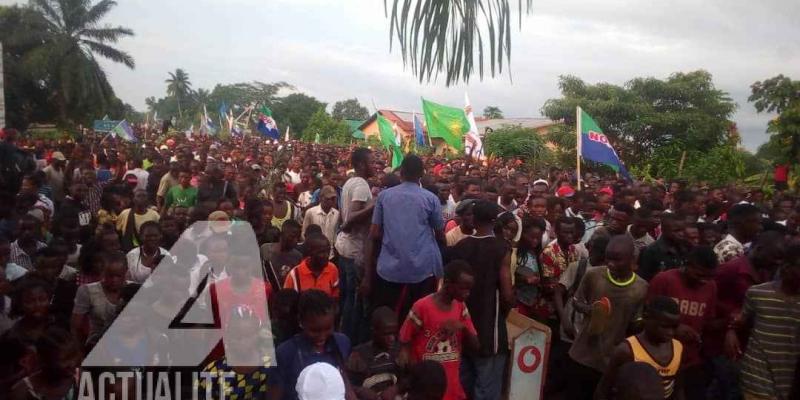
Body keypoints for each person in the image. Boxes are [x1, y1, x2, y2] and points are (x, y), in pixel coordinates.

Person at [566, 235, 649, 400]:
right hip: (582, 354)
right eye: (608, 258)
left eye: (618, 260)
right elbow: (576, 302)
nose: (611, 264)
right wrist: (591, 310)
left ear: (632, 259)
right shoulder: (593, 275)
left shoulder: (641, 287)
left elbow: (635, 324)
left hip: (611, 361)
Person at [365, 155, 444, 321]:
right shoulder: (431, 199)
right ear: (421, 174)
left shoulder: (384, 196)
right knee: (417, 319)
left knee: (388, 318)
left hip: (389, 270)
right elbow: (440, 235)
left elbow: (374, 233)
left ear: (401, 172)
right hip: (422, 271)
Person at [448, 201, 513, 400]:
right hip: (489, 329)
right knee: (487, 387)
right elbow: (507, 294)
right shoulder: (501, 247)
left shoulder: (461, 246)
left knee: (465, 381)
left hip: (463, 325)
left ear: (473, 219)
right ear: (495, 222)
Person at [724, 243, 800, 400]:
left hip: (790, 378)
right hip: (757, 375)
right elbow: (741, 320)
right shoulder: (757, 293)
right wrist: (731, 331)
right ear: (786, 267)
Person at [398, 260, 479, 400]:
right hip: (427, 390)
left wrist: (462, 327)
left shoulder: (461, 308)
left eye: (469, 289)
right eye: (463, 288)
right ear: (448, 283)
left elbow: (476, 346)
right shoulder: (422, 307)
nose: (467, 294)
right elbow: (405, 340)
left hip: (452, 389)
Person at [647, 246, 718, 400]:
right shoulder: (664, 280)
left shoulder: (711, 287)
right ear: (687, 264)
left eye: (709, 276)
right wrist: (675, 328)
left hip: (689, 360)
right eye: (699, 274)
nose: (703, 280)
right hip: (658, 358)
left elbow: (707, 320)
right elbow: (646, 316)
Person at [270, 290, 352, 400]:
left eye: (328, 328)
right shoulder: (286, 353)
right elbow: (274, 393)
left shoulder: (341, 343)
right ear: (301, 321)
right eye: (315, 331)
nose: (322, 336)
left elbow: (345, 384)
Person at [597, 296, 684, 400]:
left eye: (674, 327)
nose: (670, 332)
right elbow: (604, 389)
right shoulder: (627, 351)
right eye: (664, 326)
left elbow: (677, 386)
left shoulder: (677, 347)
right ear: (646, 317)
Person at [199, 305, 274, 400]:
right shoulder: (212, 372)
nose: (243, 341)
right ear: (227, 336)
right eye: (237, 335)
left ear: (258, 335)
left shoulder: (271, 368)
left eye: (248, 335)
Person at [71, 251, 128, 351]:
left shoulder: (133, 289)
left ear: (125, 272)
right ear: (102, 273)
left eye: (118, 276)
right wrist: (79, 351)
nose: (114, 280)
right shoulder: (87, 291)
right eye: (110, 275)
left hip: (128, 344)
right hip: (96, 345)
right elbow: (76, 326)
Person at [8, 328, 81, 400]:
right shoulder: (22, 392)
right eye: (64, 360)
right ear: (44, 361)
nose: (72, 364)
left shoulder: (83, 380)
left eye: (74, 356)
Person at [346, 306, 401, 400]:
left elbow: (410, 378)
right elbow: (346, 384)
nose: (392, 338)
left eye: (394, 333)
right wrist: (360, 391)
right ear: (374, 331)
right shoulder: (358, 356)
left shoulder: (399, 351)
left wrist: (395, 389)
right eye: (386, 334)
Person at [283, 234, 340, 300]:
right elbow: (287, 302)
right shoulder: (295, 275)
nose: (326, 255)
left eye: (328, 251)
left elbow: (335, 298)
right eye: (321, 252)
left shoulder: (332, 269)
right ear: (310, 252)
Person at [638, 213, 688, 281]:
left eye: (683, 230)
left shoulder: (685, 249)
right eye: (676, 231)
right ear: (664, 230)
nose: (681, 234)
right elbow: (644, 279)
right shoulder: (651, 252)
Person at [262, 220, 303, 291]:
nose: (295, 241)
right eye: (292, 237)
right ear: (282, 234)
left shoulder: (297, 256)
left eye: (297, 238)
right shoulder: (265, 250)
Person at [301, 185, 339, 255]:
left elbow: (335, 234)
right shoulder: (311, 212)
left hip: (331, 254)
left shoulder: (337, 214)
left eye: (333, 198)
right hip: (314, 254)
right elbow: (304, 234)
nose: (330, 201)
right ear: (321, 198)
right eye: (328, 198)